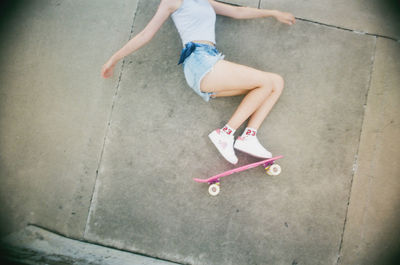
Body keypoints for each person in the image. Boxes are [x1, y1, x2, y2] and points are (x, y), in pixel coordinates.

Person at [101, 0, 295, 165]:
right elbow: (145, 34)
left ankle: (249, 136)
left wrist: (273, 13)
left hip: (210, 60)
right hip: (199, 61)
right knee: (265, 82)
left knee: (275, 82)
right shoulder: (172, 0)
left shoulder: (204, 0)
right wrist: (113, 59)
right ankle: (226, 134)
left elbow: (237, 11)